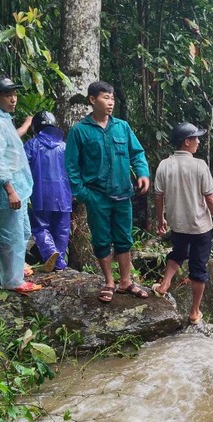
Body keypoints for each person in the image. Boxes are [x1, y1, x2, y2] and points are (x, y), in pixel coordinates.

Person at [65, 81, 151, 302]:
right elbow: (71, 167)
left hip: (123, 194)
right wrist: (84, 194)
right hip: (97, 196)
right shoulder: (79, 131)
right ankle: (109, 282)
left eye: (112, 98)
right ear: (92, 100)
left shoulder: (122, 127)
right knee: (102, 239)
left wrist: (142, 173)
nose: (110, 102)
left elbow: (137, 153)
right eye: (105, 98)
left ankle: (126, 281)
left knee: (124, 238)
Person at [151, 122, 213, 324]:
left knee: (177, 254)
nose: (198, 142)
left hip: (178, 225)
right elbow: (210, 198)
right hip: (201, 227)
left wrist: (161, 219)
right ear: (186, 142)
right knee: (198, 268)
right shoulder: (199, 165)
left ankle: (164, 284)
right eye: (195, 138)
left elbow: (158, 197)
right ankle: (194, 312)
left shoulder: (164, 165)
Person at [0, 76, 41, 293]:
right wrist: (10, 190)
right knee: (10, 234)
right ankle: (12, 281)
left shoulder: (2, 118)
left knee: (22, 231)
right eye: (7, 95)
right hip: (8, 190)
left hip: (19, 188)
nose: (13, 99)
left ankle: (16, 269)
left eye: (14, 94)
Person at [25, 111, 70, 271]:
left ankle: (51, 252)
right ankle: (60, 262)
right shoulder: (64, 147)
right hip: (63, 195)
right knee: (62, 229)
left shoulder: (32, 144)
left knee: (40, 227)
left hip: (39, 194)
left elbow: (22, 167)